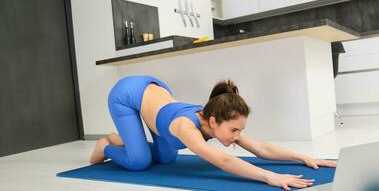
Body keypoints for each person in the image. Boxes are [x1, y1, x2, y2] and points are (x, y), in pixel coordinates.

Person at [90, 75, 336, 190]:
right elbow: (223, 161)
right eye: (233, 130)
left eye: (240, 130)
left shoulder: (215, 116)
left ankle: (124, 141)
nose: (237, 136)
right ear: (212, 120)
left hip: (156, 91)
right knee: (139, 162)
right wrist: (269, 176)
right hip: (127, 94)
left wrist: (303, 157)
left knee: (167, 158)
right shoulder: (187, 127)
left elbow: (261, 148)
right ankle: (106, 145)